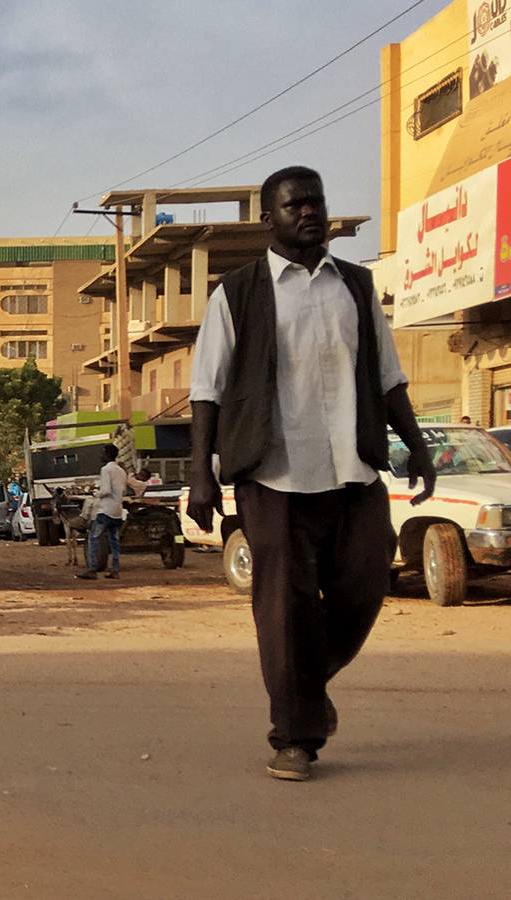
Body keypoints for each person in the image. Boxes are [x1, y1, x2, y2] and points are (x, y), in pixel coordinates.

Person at [188, 165, 436, 783]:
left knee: (365, 586)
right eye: (294, 203)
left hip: (353, 468)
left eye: (316, 201)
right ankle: (294, 736)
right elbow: (207, 390)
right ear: (269, 218)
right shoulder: (237, 294)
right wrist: (201, 474)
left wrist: (417, 446)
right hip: (272, 474)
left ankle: (305, 682)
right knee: (283, 608)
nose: (309, 211)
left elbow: (387, 377)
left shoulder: (356, 285)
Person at [76, 445, 136, 581]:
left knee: (93, 537)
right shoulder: (121, 471)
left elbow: (106, 490)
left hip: (105, 510)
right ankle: (115, 570)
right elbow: (123, 491)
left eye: (103, 453)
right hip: (117, 510)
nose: (101, 456)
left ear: (108, 454)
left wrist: (97, 493)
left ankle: (92, 569)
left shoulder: (106, 469)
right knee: (114, 541)